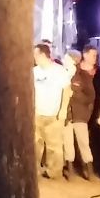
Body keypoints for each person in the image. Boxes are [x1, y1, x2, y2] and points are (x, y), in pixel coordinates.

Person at [32, 43, 69, 179]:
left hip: (54, 114)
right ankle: (34, 170)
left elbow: (66, 90)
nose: (34, 57)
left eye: (35, 55)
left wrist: (63, 109)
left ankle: (54, 172)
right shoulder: (34, 71)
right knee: (35, 144)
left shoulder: (59, 71)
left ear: (42, 55)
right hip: (37, 113)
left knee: (54, 145)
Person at [65, 46, 100, 181]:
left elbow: (91, 96)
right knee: (67, 142)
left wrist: (75, 95)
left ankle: (89, 170)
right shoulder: (66, 75)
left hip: (80, 114)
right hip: (67, 114)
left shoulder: (84, 76)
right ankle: (70, 169)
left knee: (83, 142)